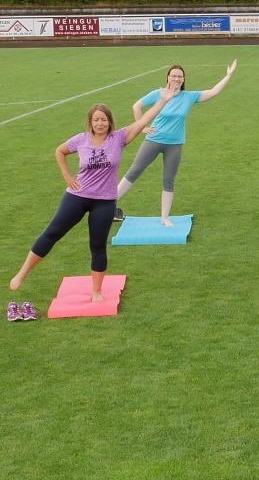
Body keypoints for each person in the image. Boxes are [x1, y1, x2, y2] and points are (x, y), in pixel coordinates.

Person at [9, 90, 176, 301]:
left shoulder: (119, 138)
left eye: (103, 119)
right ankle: (22, 274)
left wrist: (162, 101)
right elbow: (59, 151)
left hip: (104, 202)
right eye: (96, 120)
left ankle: (96, 291)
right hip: (77, 197)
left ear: (109, 122)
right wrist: (67, 176)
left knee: (97, 246)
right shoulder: (81, 140)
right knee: (52, 233)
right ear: (90, 122)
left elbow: (144, 119)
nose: (100, 123)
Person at [114, 60, 237, 226]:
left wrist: (228, 75)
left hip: (175, 145)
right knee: (134, 171)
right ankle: (108, 205)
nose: (176, 79)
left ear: (183, 79)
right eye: (173, 76)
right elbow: (137, 106)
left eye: (180, 76)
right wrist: (142, 127)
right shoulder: (158, 94)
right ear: (167, 77)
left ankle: (164, 217)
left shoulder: (189, 96)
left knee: (169, 179)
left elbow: (213, 92)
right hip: (154, 140)